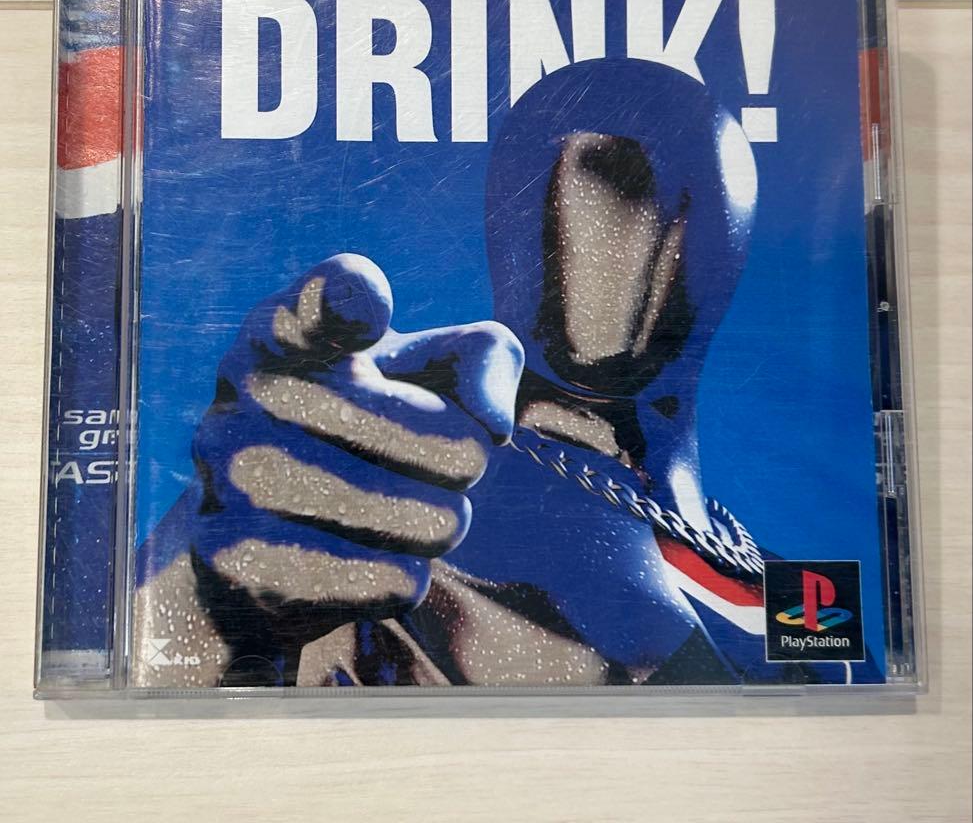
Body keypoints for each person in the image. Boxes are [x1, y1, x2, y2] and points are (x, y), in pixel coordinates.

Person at [133, 58, 859, 688]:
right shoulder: (399, 509)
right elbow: (175, 691)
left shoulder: (794, 591)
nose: (630, 245)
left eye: (673, 202)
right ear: (511, 228)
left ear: (726, 240)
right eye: (599, 190)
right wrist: (195, 598)